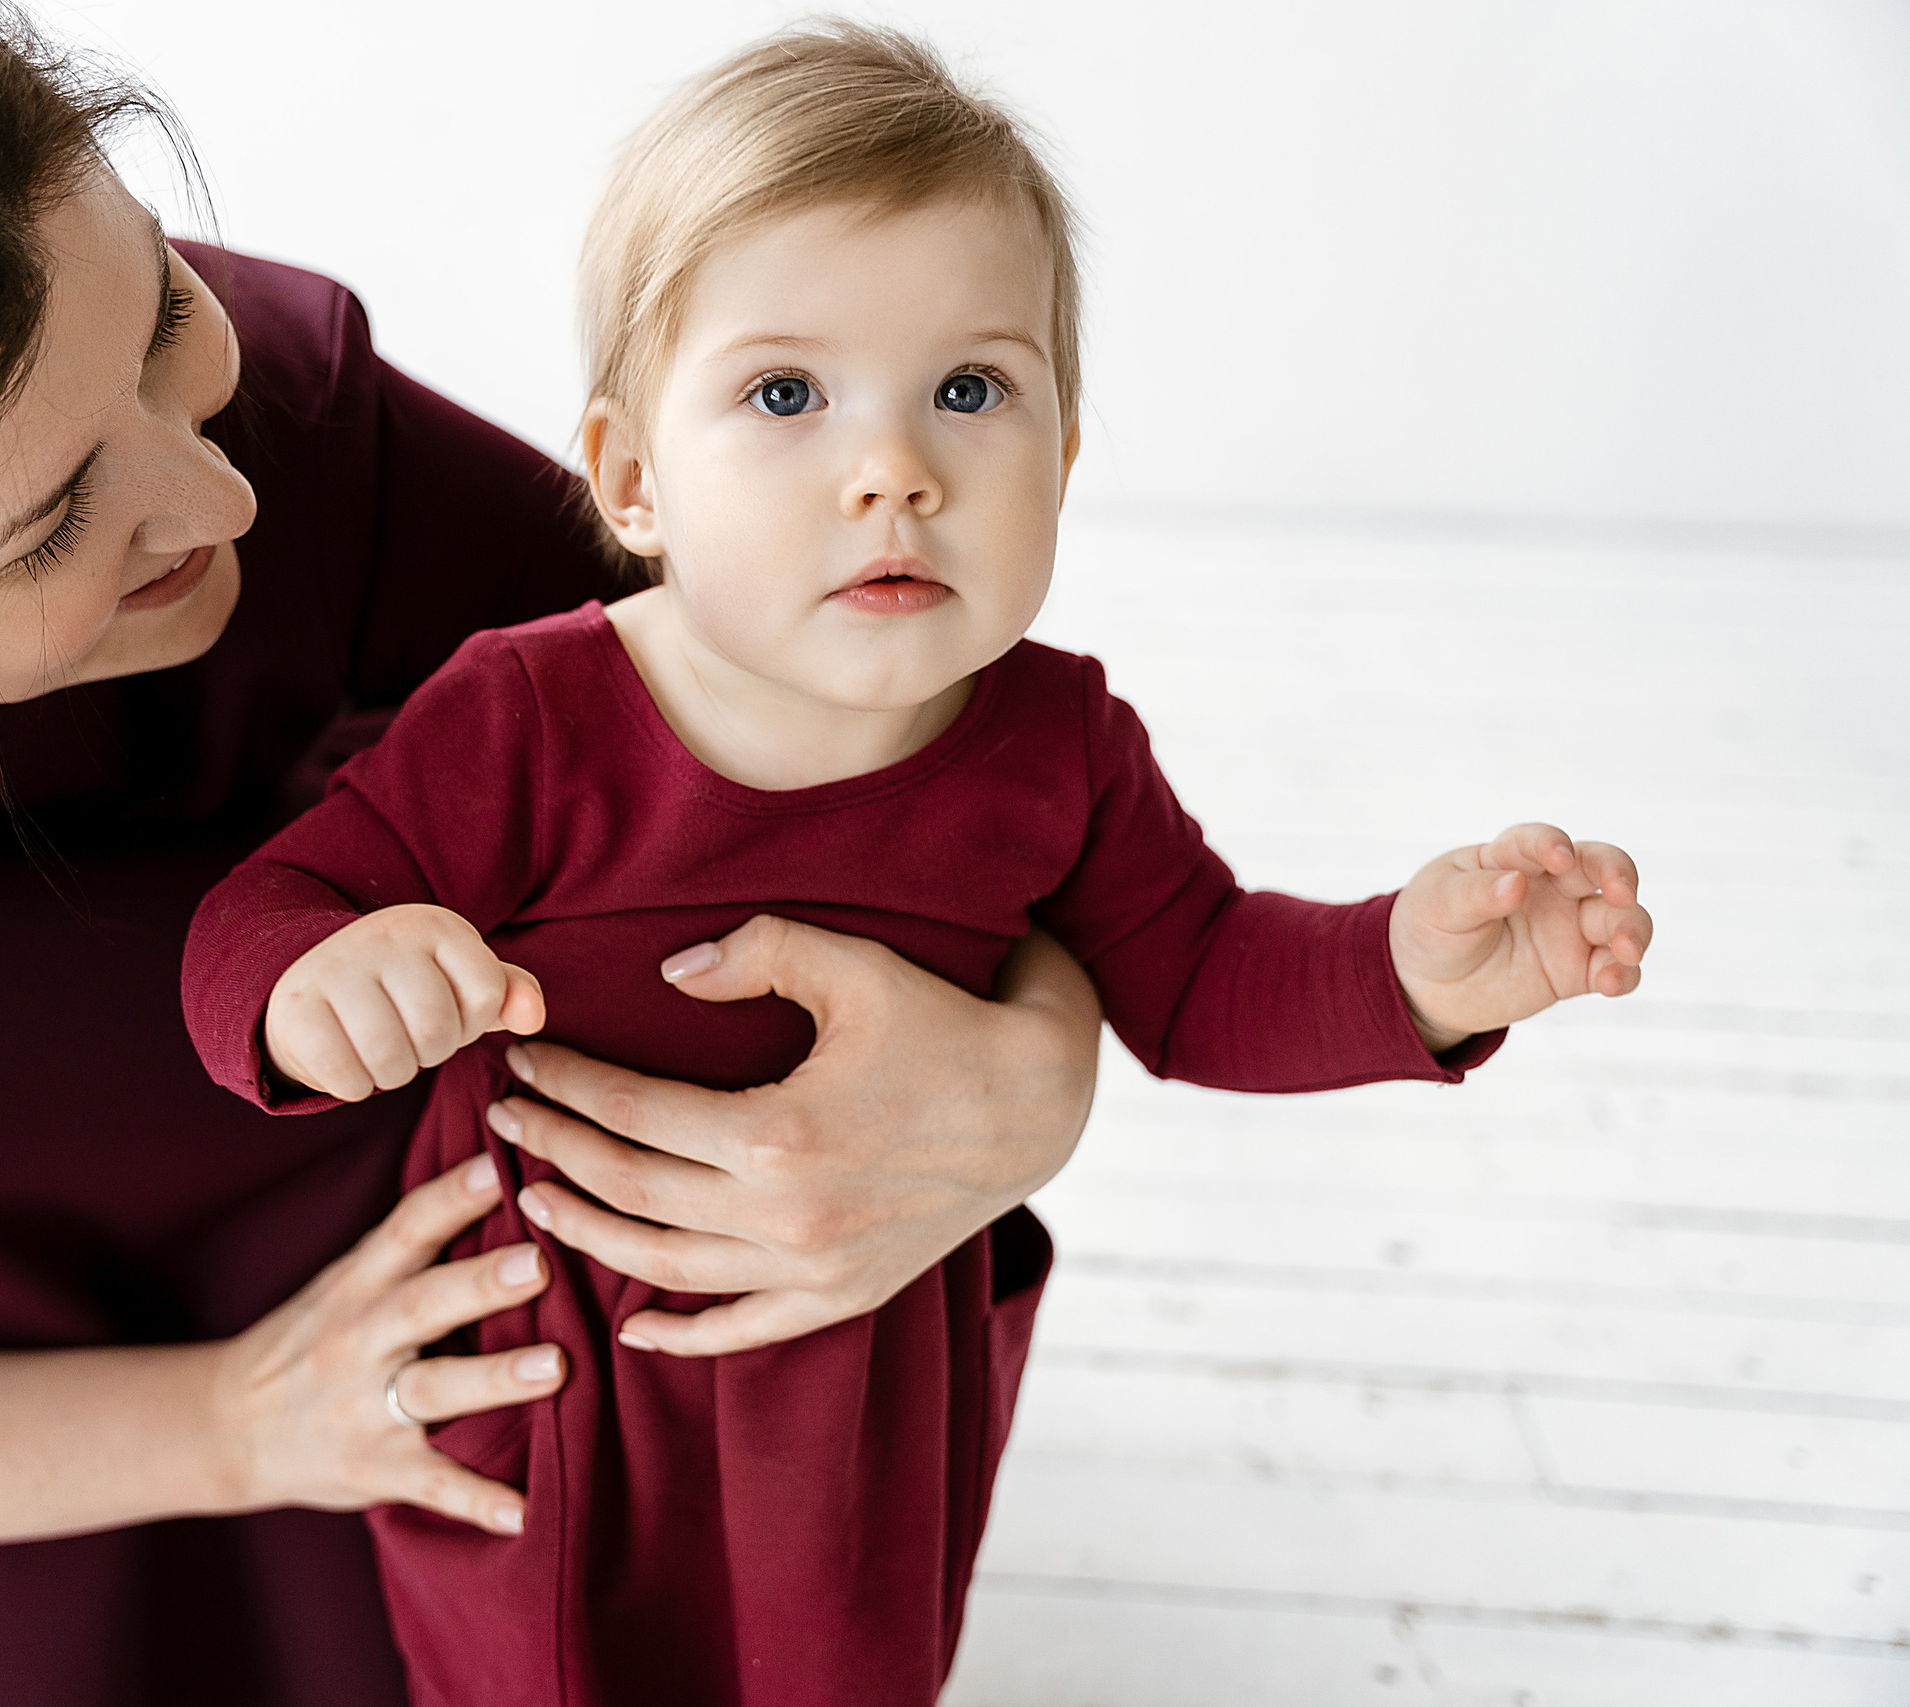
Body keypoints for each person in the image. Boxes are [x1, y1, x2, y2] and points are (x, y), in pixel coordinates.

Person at [0, 4, 1106, 1704]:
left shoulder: (284, 416)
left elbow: (842, 730)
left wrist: (1025, 1075)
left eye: (167, 316)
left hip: (510, 1316)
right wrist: (248, 1421)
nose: (222, 504)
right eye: (50, 522)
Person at [182, 24, 1658, 1707]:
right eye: (786, 395)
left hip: (856, 1378)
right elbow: (267, 912)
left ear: (1067, 458)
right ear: (632, 478)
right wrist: (318, 989)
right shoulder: (527, 712)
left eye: (972, 389)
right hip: (541, 1376)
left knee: (846, 1670)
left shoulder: (1056, 744)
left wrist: (1413, 967)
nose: (896, 469)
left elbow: (1199, 978)